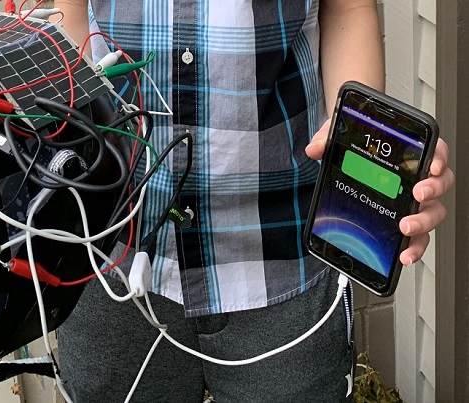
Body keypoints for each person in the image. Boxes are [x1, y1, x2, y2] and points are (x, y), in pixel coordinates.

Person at [53, 0, 455, 401]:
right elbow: (68, 12)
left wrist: (370, 168)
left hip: (283, 252)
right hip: (108, 243)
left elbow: (348, 8)